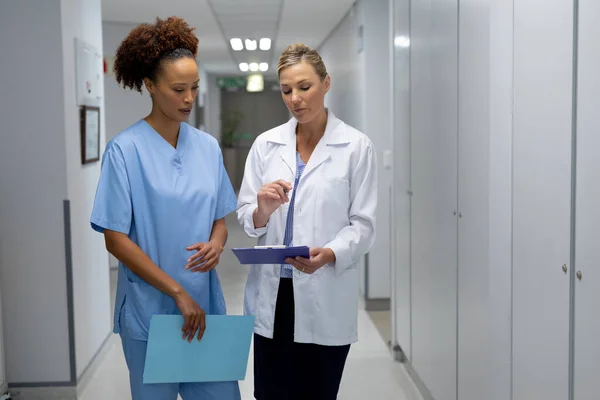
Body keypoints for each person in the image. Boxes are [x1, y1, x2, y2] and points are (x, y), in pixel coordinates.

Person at [90, 17, 240, 400]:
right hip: (151, 309)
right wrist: (176, 291)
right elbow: (114, 238)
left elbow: (219, 221)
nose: (189, 99)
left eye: (194, 88)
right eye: (178, 89)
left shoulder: (206, 148)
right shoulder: (125, 151)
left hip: (203, 305)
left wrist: (217, 244)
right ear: (151, 86)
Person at [237, 43, 378, 400]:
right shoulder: (266, 144)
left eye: (304, 87)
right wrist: (263, 207)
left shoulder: (356, 147)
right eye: (286, 90)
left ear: (326, 83)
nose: (295, 98)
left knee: (319, 392)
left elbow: (363, 224)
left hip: (324, 290)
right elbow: (247, 218)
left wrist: (329, 253)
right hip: (275, 293)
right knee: (271, 394)